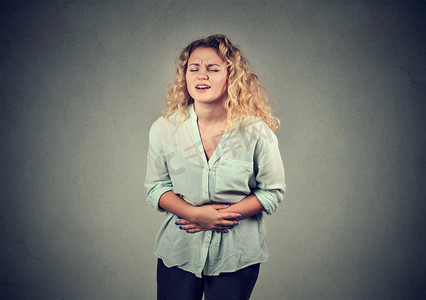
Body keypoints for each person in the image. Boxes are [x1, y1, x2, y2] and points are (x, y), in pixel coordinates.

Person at [145, 34, 286, 300]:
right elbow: (156, 188)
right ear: (184, 75)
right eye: (194, 68)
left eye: (213, 69)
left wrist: (221, 217)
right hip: (179, 251)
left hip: (236, 256)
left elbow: (272, 192)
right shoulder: (164, 129)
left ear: (231, 76)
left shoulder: (256, 131)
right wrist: (194, 214)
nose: (201, 76)